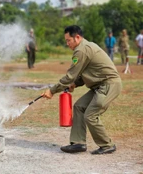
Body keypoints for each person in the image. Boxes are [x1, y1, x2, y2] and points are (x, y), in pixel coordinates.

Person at [42, 25, 122, 155]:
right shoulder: (85, 47)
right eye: (66, 41)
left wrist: (52, 91)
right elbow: (87, 73)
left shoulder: (81, 50)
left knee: (90, 115)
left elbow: (70, 76)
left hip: (108, 85)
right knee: (79, 106)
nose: (67, 43)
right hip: (100, 85)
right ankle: (78, 143)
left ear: (77, 37)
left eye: (69, 40)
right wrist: (75, 84)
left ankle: (107, 145)